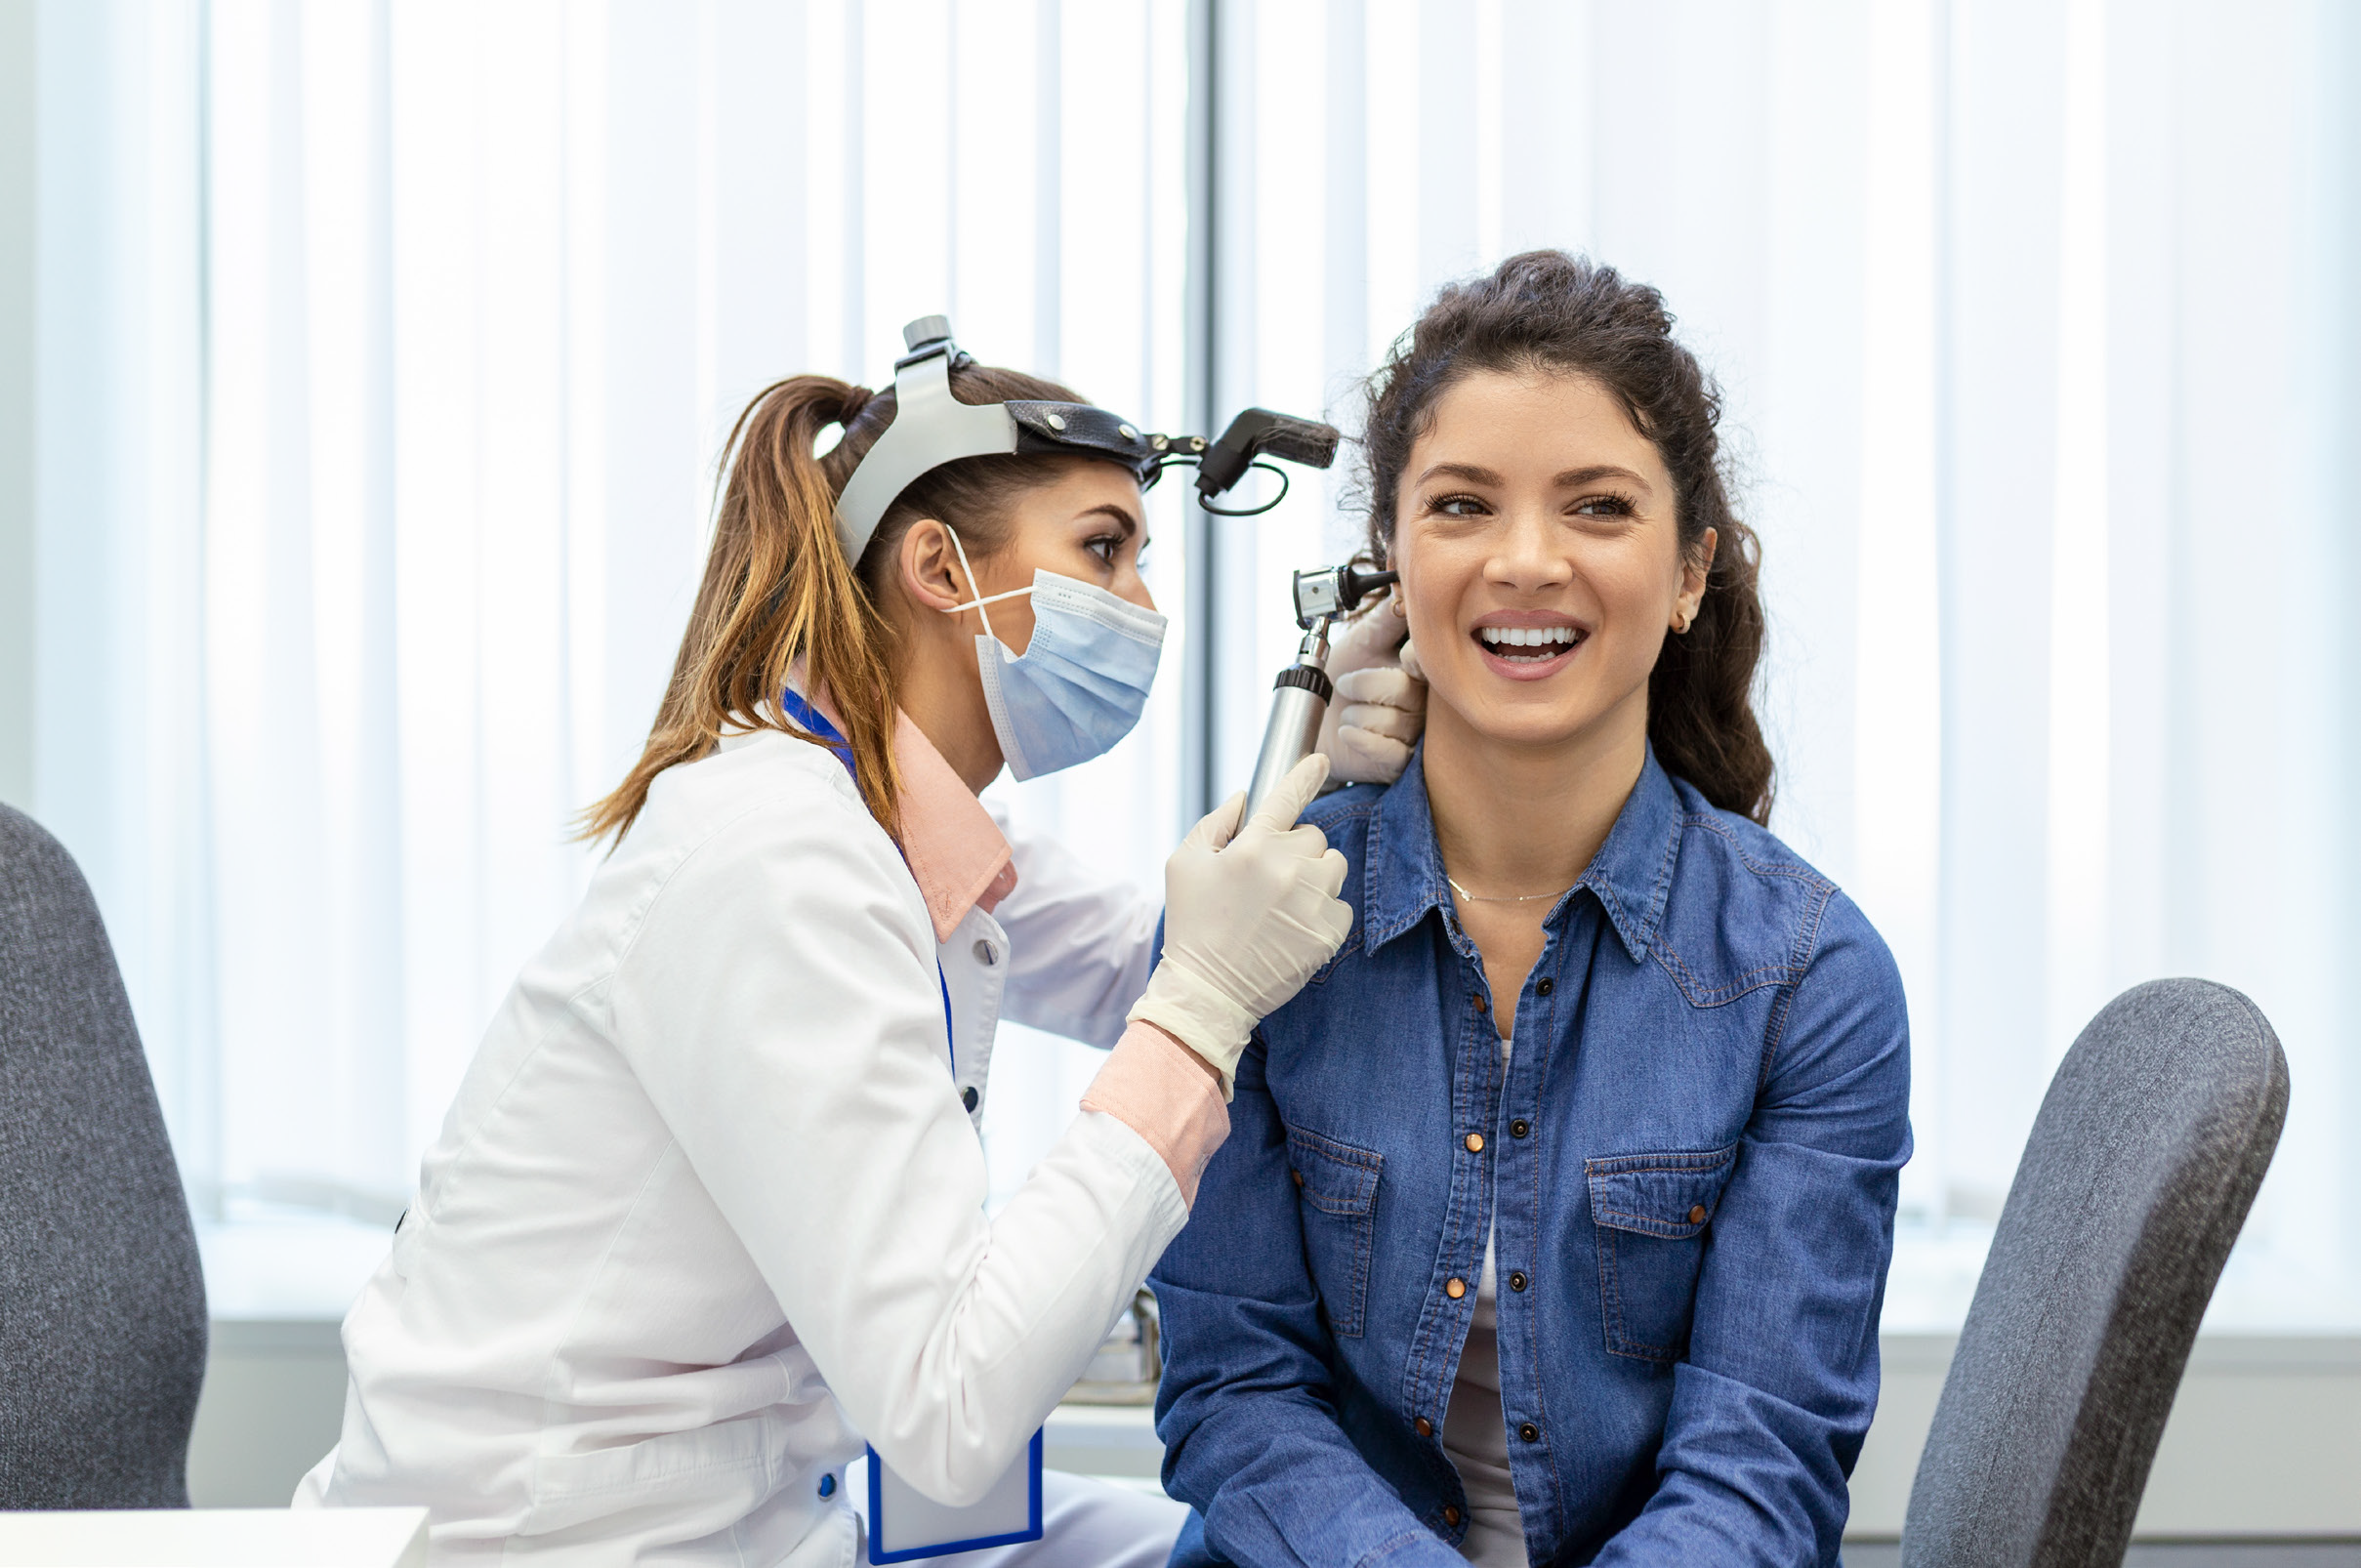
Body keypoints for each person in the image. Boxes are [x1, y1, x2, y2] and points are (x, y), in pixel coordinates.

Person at [295, 327, 1420, 1567]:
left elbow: (1148, 955)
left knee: (1202, 1550)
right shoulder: (780, 858)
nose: (1146, 610)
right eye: (1104, 549)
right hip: (562, 1542)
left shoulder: (875, 814)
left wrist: (1313, 753)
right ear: (939, 567)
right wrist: (1206, 999)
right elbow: (952, 1408)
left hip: (754, 1516)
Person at [1150, 252, 1914, 1568]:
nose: (1524, 559)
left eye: (1597, 507)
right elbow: (1234, 1396)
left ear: (1686, 575)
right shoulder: (1254, 929)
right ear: (1389, 561)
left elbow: (1760, 1465)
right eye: (1460, 505)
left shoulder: (1807, 976)